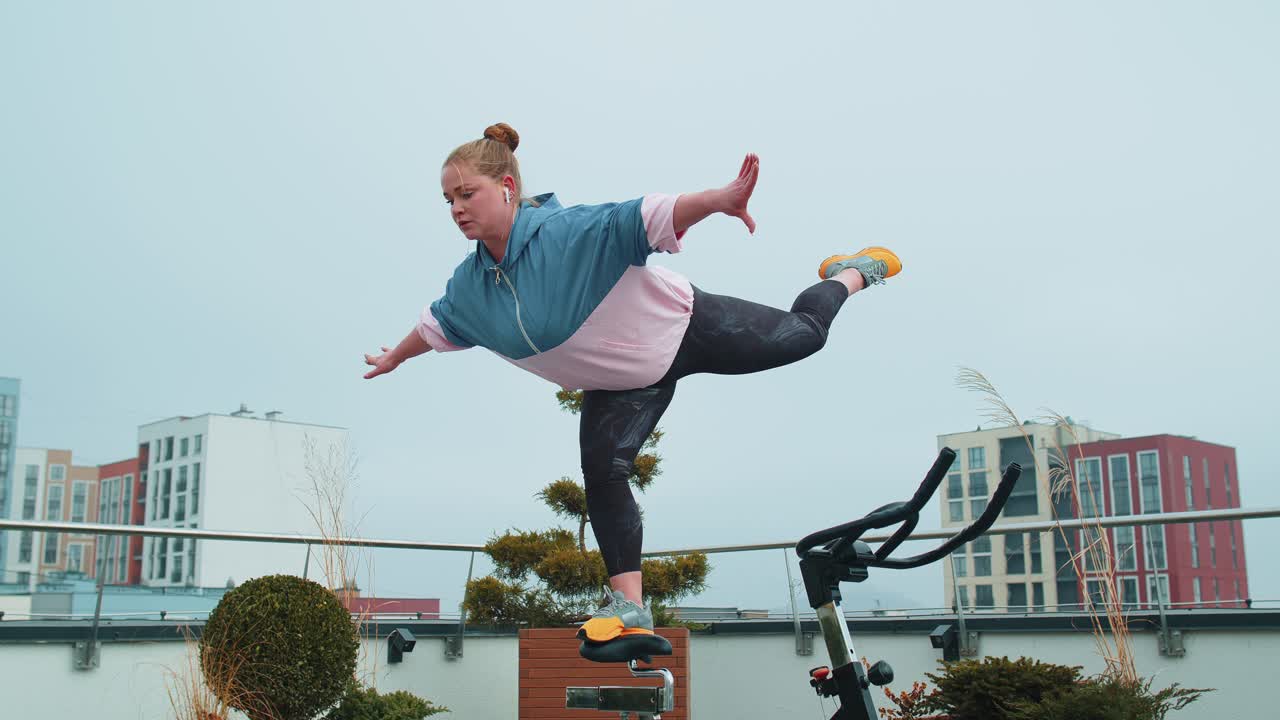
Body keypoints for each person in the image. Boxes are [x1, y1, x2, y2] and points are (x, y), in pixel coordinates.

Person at [363, 122, 901, 649]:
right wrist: (395, 357)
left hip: (685, 326)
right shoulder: (472, 285)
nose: (456, 208)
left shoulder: (565, 233)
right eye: (447, 199)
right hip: (622, 384)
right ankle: (629, 605)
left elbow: (644, 215)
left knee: (803, 336)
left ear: (506, 188)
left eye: (466, 193)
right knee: (602, 472)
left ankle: (847, 274)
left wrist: (720, 198)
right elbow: (436, 324)